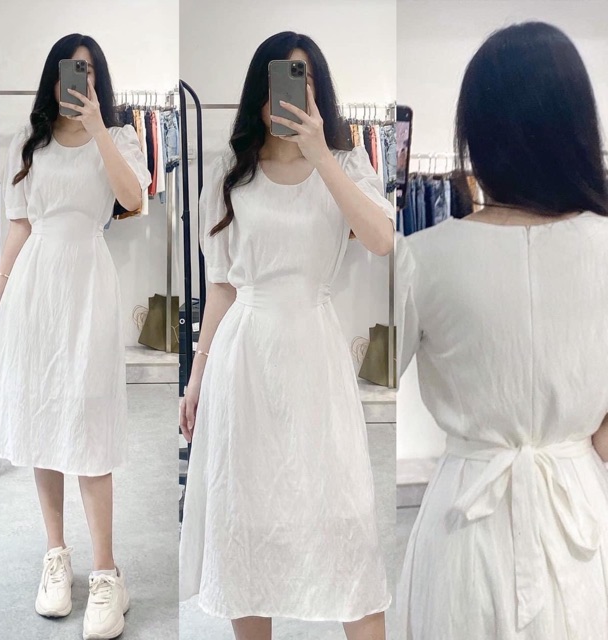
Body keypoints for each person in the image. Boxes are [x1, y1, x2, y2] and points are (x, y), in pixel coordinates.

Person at [179, 31, 395, 640]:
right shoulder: (230, 171)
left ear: (319, 92)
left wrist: (321, 154)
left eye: (306, 79)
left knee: (345, 521)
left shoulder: (346, 164)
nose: (293, 91)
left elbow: (381, 240)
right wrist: (195, 378)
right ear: (261, 87)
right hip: (244, 357)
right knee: (248, 521)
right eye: (283, 77)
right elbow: (221, 287)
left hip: (314, 355)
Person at [396, 22, 608, 640]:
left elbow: (364, 382)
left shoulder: (423, 257)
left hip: (462, 527)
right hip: (578, 530)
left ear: (477, 135)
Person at [0, 33, 150, 640]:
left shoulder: (119, 137)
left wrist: (98, 127)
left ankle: (106, 572)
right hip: (36, 288)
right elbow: (20, 225)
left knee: (89, 423)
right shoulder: (31, 140)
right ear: (53, 77)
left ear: (99, 80)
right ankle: (56, 555)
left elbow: (133, 198)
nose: (79, 78)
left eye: (89, 70)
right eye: (70, 70)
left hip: (88, 283)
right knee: (44, 420)